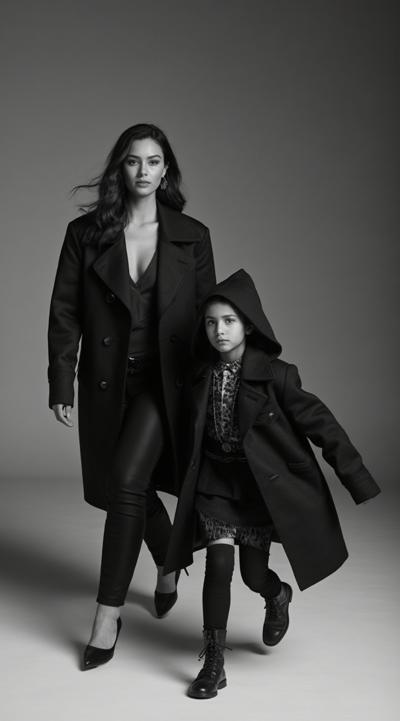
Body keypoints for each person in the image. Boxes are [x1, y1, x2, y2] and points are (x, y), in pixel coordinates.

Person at [163, 268, 380, 699]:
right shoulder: (200, 373)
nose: (219, 331)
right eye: (211, 322)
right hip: (214, 483)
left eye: (229, 321)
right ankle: (214, 662)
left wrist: (355, 477)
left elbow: (322, 424)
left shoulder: (277, 375)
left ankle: (277, 594)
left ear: (248, 324)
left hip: (257, 490)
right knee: (218, 565)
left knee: (252, 574)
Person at [47, 123, 216, 670]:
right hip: (106, 381)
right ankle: (168, 562)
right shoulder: (85, 233)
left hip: (165, 384)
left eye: (153, 161)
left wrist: (217, 389)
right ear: (120, 168)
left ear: (167, 171)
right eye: (133, 161)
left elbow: (207, 317)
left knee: (124, 482)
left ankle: (107, 614)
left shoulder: (193, 235)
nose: (143, 171)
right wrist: (61, 379)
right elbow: (65, 311)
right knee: (129, 484)